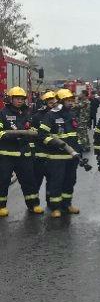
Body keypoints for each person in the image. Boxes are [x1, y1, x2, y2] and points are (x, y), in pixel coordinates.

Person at [0, 87, 44, 216]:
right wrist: (13, 135)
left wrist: (32, 149)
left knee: (29, 180)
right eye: (17, 98)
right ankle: (1, 206)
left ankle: (33, 205)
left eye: (22, 99)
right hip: (7, 154)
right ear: (10, 99)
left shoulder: (28, 114)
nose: (20, 101)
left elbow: (34, 132)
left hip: (25, 153)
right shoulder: (3, 113)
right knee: (3, 180)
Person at [39, 88, 82, 218]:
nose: (71, 103)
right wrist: (56, 144)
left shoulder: (72, 114)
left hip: (71, 157)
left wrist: (79, 149)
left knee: (70, 181)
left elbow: (75, 135)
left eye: (71, 100)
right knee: (56, 182)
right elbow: (42, 135)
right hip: (56, 157)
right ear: (61, 101)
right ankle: (55, 207)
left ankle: (67, 204)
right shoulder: (51, 115)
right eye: (68, 101)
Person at [30, 91, 58, 193]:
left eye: (54, 103)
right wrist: (32, 152)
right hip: (39, 155)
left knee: (52, 181)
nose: (53, 105)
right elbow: (32, 136)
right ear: (45, 103)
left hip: (54, 154)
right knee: (36, 181)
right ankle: (34, 204)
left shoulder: (59, 116)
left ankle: (51, 203)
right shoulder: (37, 117)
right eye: (50, 103)